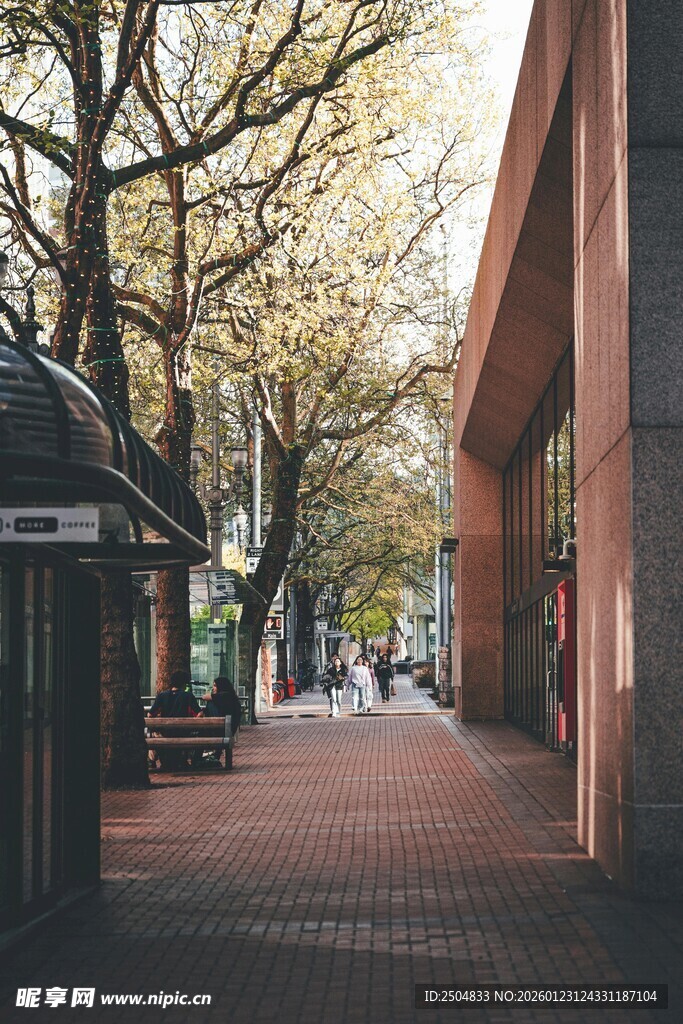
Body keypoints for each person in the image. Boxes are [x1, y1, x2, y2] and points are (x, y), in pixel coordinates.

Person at [148, 670, 201, 770]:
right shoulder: (187, 696)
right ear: (184, 683)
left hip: (165, 732)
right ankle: (184, 761)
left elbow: (150, 714)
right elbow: (200, 713)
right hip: (183, 732)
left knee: (152, 735)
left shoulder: (162, 696)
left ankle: (153, 760)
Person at [203, 676, 242, 765]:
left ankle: (198, 759)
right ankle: (214, 756)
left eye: (215, 686)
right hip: (227, 730)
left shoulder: (224, 696)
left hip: (220, 731)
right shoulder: (231, 697)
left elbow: (205, 697)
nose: (213, 688)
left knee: (199, 734)